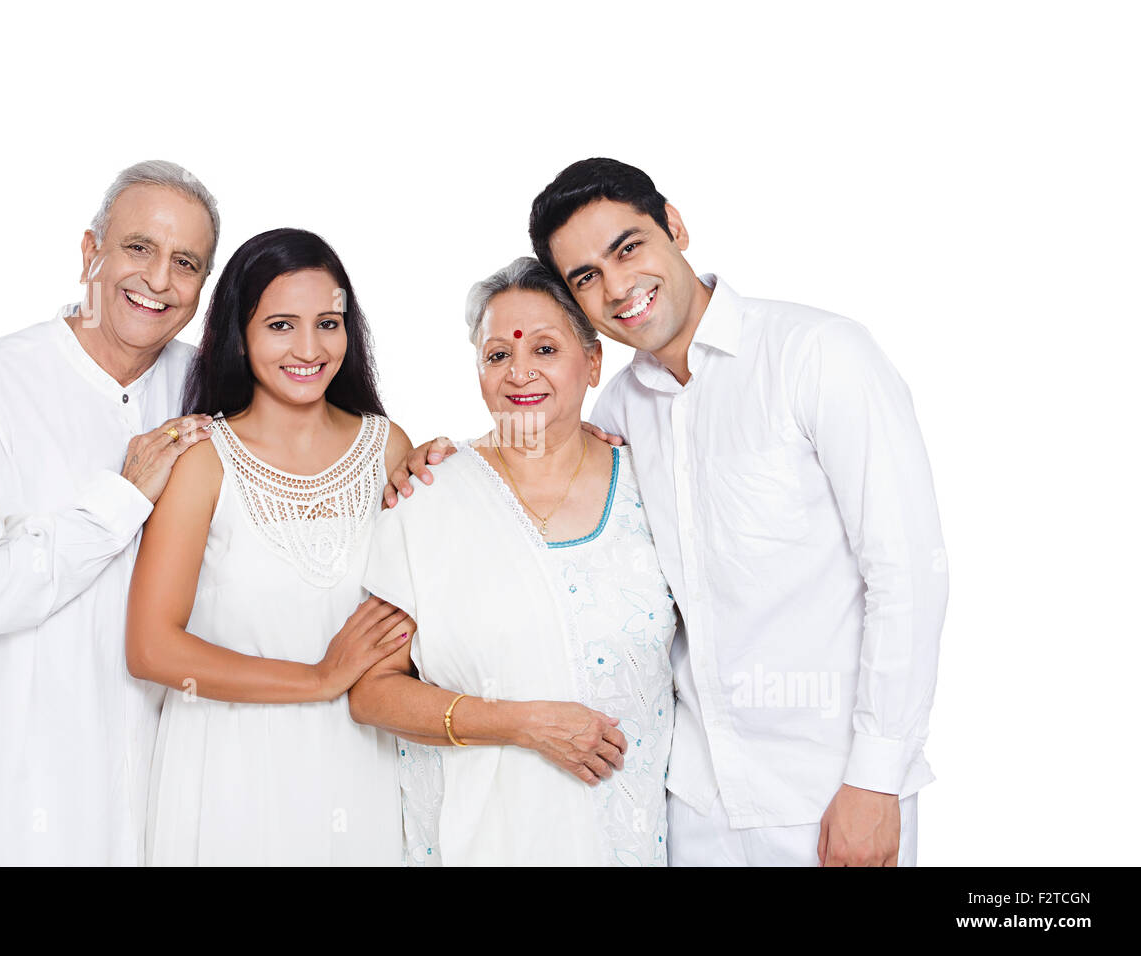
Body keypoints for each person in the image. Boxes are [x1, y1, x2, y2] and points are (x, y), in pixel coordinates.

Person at [389, 159, 949, 867]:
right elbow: (538, 465)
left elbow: (906, 578)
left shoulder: (817, 355)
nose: (618, 286)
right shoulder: (620, 410)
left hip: (830, 792)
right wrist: (442, 460)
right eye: (587, 277)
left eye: (628, 248)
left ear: (674, 227)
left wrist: (876, 777)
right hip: (687, 803)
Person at [0, 160, 220, 866]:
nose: (157, 280)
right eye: (138, 248)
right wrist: (120, 501)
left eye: (185, 263)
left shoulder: (209, 389)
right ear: (91, 252)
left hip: (156, 822)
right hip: (3, 825)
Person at [349, 257, 676, 866]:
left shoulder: (652, 487)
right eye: (497, 355)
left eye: (545, 349)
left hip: (626, 838)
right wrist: (521, 723)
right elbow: (372, 693)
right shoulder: (428, 498)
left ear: (595, 362)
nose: (519, 371)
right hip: (475, 840)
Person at [126, 228, 413, 866]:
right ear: (239, 334)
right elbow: (151, 648)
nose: (308, 348)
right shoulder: (203, 458)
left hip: (359, 762)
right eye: (281, 324)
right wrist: (317, 678)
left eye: (328, 323)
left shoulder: (387, 445)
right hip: (229, 772)